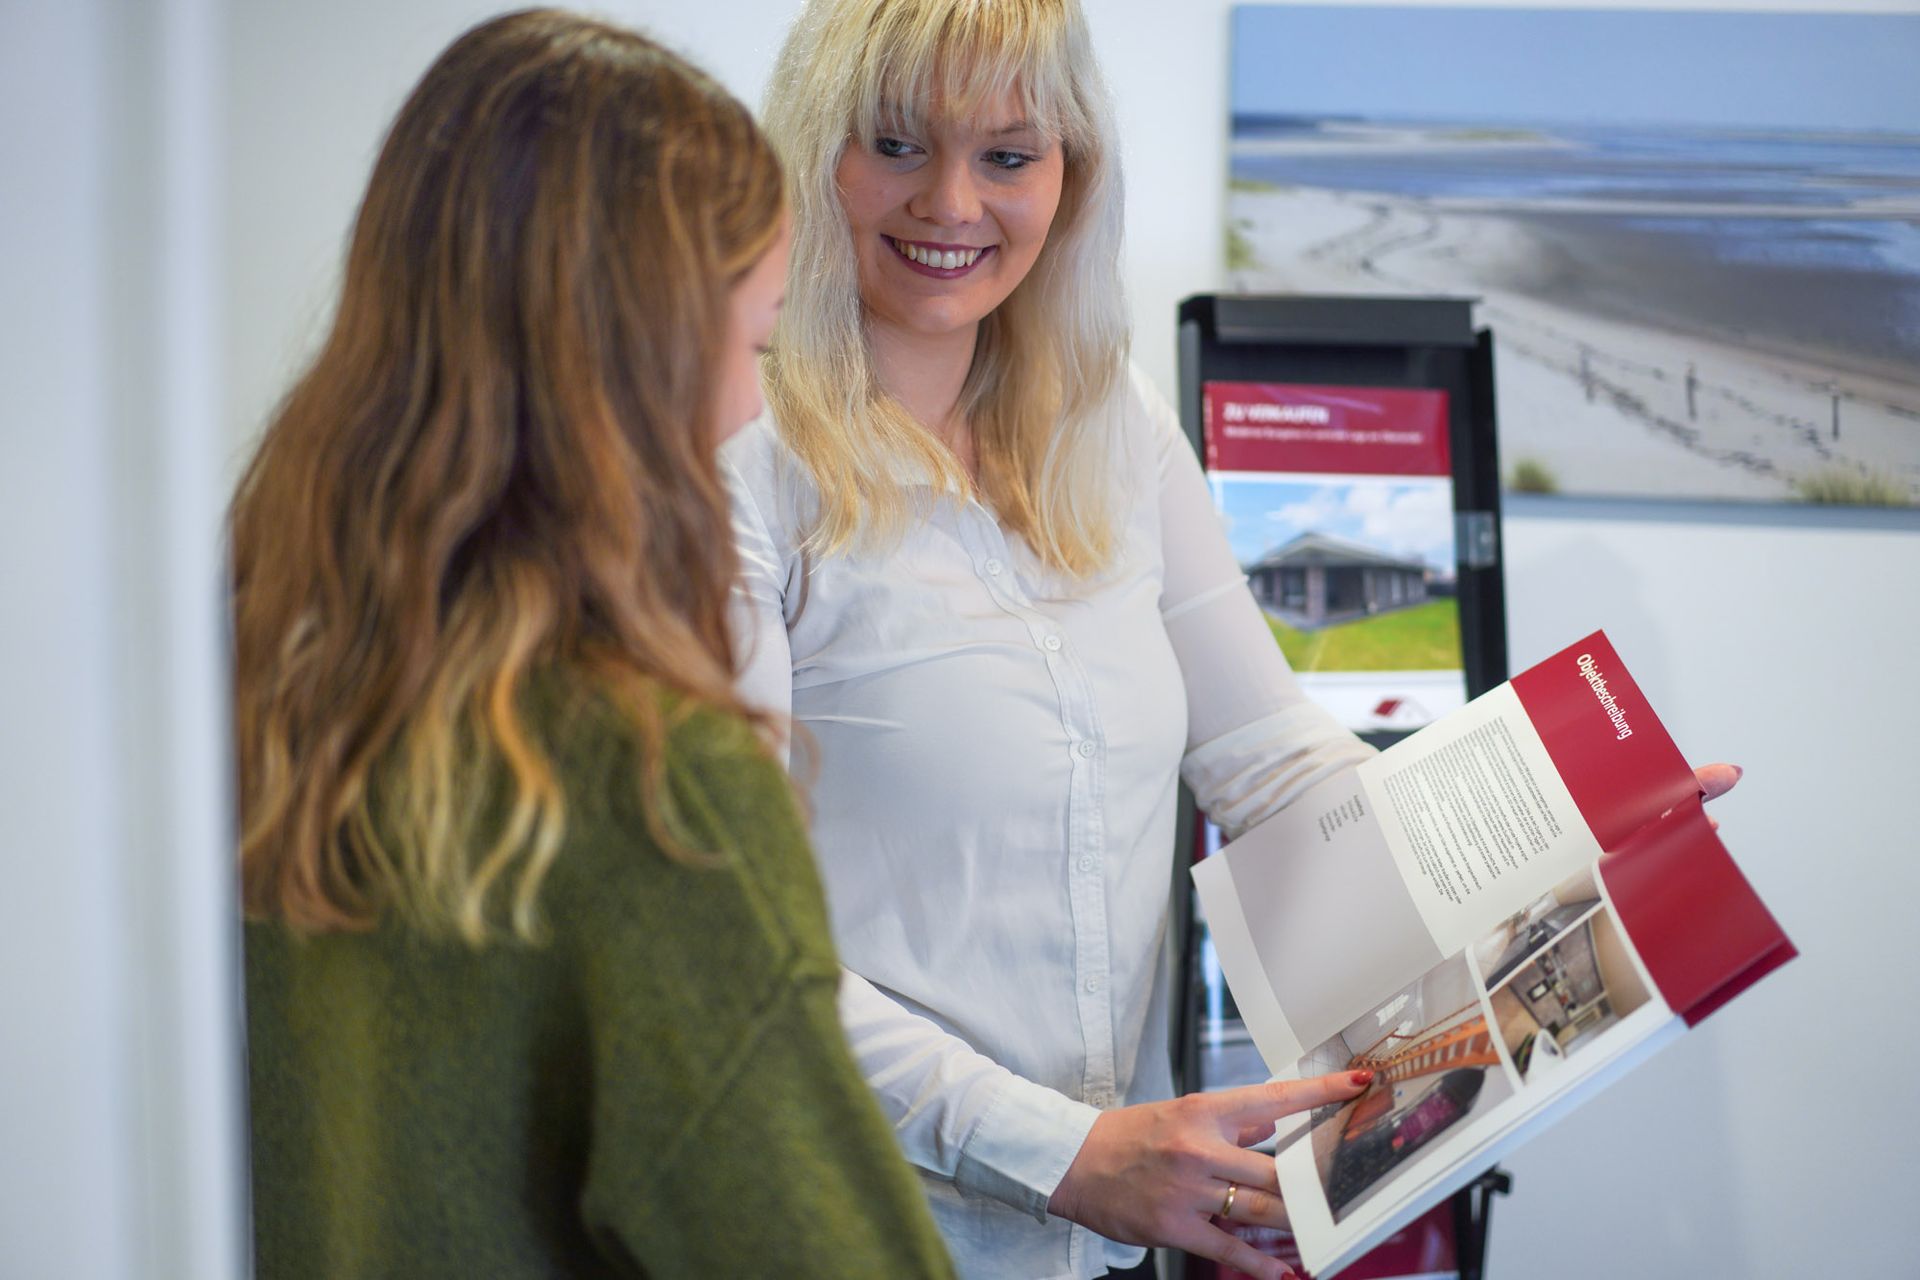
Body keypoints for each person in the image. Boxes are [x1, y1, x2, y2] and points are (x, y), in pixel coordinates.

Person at [726, 3, 1742, 1278]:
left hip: (1102, 1246)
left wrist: (1568, 829)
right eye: (895, 144)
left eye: (1007, 155)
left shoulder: (1111, 423)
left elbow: (1273, 767)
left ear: (1072, 172)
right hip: (845, 1227)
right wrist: (1066, 1152)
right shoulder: (735, 465)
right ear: (813, 148)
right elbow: (728, 930)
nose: (952, 202)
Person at [232, 11, 955, 1278]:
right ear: (631, 356)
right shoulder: (657, 784)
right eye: (751, 344)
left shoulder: (259, 673)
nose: (749, 407)